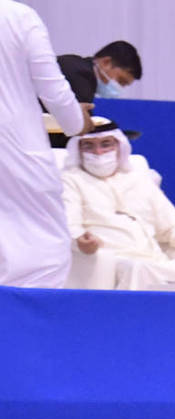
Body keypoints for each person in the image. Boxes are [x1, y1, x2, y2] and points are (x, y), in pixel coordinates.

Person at [59, 121, 175, 289]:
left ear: (119, 147)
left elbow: (173, 229)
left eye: (105, 144)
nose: (98, 152)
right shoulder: (70, 180)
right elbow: (68, 227)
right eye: (88, 146)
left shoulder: (138, 179)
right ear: (78, 150)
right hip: (114, 259)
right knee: (138, 269)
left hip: (154, 260)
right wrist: (80, 243)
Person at [1, 0, 83, 288]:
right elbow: (53, 88)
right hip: (17, 147)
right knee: (44, 249)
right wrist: (76, 123)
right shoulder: (19, 16)